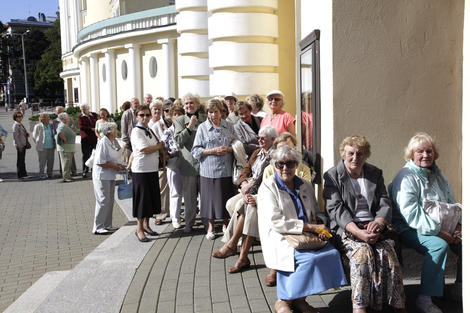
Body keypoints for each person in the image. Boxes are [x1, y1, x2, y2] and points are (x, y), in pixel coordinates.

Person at [258, 145, 347, 313]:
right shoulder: (268, 187)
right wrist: (311, 227)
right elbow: (276, 222)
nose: (285, 168)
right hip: (282, 236)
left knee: (331, 254)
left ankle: (300, 299)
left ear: (297, 165)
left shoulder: (305, 184)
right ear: (274, 165)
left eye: (290, 164)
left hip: (308, 234)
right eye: (280, 164)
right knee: (307, 260)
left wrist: (320, 223)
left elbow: (316, 210)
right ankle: (283, 301)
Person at [323, 136, 406, 313]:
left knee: (388, 252)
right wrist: (358, 232)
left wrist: (379, 222)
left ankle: (397, 305)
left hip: (373, 225)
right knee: (362, 254)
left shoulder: (374, 173)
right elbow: (335, 209)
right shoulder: (332, 175)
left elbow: (384, 201)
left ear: (366, 155)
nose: (355, 158)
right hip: (347, 228)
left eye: (360, 154)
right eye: (350, 153)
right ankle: (359, 307)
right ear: (343, 154)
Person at [389, 132, 461, 313]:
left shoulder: (436, 173)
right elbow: (411, 214)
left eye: (429, 151)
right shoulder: (406, 177)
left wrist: (457, 225)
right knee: (438, 246)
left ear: (434, 154)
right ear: (411, 154)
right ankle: (424, 298)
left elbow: (450, 201)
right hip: (409, 226)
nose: (425, 155)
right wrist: (439, 232)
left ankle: (458, 287)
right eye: (420, 151)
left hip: (440, 225)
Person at [212, 126, 277, 273]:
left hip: (262, 188)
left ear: (272, 140)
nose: (259, 140)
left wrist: (249, 191)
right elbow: (245, 169)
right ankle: (235, 242)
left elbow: (263, 179)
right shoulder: (257, 152)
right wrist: (243, 183)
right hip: (250, 184)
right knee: (230, 203)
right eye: (258, 137)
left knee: (244, 205)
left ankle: (233, 244)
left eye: (263, 138)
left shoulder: (275, 156)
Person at [192, 98, 238, 240]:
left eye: (216, 112)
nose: (213, 115)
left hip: (226, 170)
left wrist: (229, 148)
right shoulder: (202, 128)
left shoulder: (229, 126)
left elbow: (238, 144)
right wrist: (212, 151)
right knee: (209, 200)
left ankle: (226, 225)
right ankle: (210, 227)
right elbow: (195, 151)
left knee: (225, 198)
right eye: (210, 112)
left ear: (221, 112)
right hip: (209, 171)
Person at [173, 93, 207, 233]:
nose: (189, 105)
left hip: (205, 163)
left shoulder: (205, 118)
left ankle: (207, 222)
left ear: (197, 104)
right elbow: (178, 140)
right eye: (186, 103)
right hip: (189, 164)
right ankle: (189, 222)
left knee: (205, 195)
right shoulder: (180, 120)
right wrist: (190, 127)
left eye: (192, 103)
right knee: (189, 197)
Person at [131, 105, 165, 242]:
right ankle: (139, 229)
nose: (145, 117)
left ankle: (146, 225)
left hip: (151, 169)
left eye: (147, 115)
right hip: (141, 170)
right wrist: (158, 147)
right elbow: (144, 149)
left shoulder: (148, 129)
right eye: (141, 115)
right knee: (142, 201)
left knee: (150, 199)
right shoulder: (136, 131)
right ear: (137, 117)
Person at [92, 122, 125, 234]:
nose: (117, 131)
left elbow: (113, 157)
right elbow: (100, 162)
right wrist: (115, 166)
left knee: (110, 201)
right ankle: (98, 227)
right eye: (116, 129)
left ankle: (107, 224)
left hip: (110, 175)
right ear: (110, 131)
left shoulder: (112, 141)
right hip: (102, 176)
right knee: (103, 200)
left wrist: (118, 165)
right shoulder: (103, 142)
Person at [161, 105, 185, 229]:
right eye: (174, 114)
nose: (177, 116)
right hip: (174, 164)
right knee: (175, 192)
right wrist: (171, 154)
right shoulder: (168, 131)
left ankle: (188, 214)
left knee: (189, 192)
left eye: (179, 114)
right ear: (170, 116)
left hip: (187, 164)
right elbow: (163, 149)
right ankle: (175, 218)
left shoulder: (188, 129)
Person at [149, 100, 169, 225]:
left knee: (164, 186)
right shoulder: (150, 124)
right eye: (154, 109)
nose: (157, 111)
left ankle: (163, 213)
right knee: (157, 187)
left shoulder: (163, 124)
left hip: (164, 159)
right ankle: (157, 213)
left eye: (159, 109)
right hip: (154, 159)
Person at [53, 106, 77, 176]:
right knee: (63, 158)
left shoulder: (69, 119)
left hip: (69, 142)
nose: (58, 113)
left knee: (70, 158)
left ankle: (73, 171)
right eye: (57, 112)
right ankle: (64, 172)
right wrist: (63, 138)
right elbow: (56, 131)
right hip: (62, 142)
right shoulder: (55, 121)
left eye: (60, 111)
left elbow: (73, 128)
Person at [32, 113, 55, 178]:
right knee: (42, 162)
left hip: (51, 146)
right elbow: (34, 136)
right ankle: (41, 174)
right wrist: (38, 142)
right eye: (48, 117)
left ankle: (50, 173)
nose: (49, 118)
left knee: (51, 161)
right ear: (43, 118)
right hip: (42, 147)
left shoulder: (51, 125)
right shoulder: (38, 126)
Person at [78, 104, 98, 178]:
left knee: (95, 155)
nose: (83, 110)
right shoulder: (80, 117)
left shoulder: (94, 115)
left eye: (84, 109)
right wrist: (91, 129)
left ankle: (94, 170)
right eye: (82, 109)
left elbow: (98, 122)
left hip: (94, 139)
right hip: (86, 139)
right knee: (86, 155)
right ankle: (84, 171)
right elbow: (81, 126)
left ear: (88, 108)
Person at [121, 97, 140, 161]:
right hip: (129, 141)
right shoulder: (126, 113)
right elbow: (123, 129)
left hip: (138, 140)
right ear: (131, 104)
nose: (137, 105)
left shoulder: (139, 113)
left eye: (138, 103)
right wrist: (126, 141)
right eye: (135, 103)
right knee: (130, 160)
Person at [12, 111, 29, 179]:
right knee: (20, 160)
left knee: (22, 159)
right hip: (20, 145)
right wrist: (19, 146)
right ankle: (20, 174)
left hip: (23, 144)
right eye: (18, 117)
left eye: (21, 116)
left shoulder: (20, 124)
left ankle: (24, 173)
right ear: (15, 118)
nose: (20, 118)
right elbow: (15, 136)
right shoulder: (16, 125)